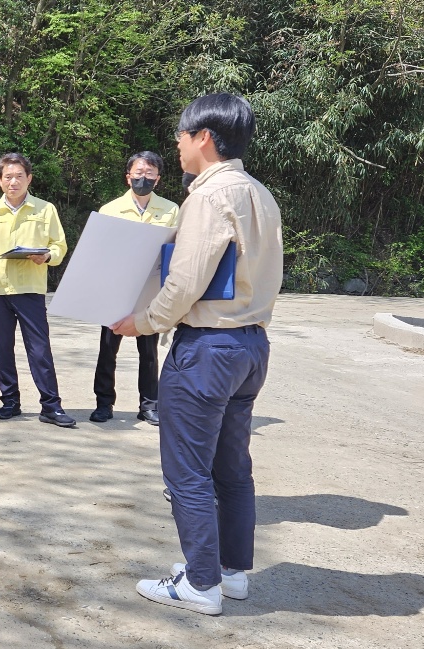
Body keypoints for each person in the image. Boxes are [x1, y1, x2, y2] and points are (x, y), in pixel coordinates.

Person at [111, 93, 283, 615]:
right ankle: (230, 574)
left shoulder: (206, 197)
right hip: (251, 345)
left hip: (206, 348)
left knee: (187, 471)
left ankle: (199, 583)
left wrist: (140, 322)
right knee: (233, 467)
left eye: (182, 138)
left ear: (204, 138)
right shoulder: (260, 193)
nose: (179, 148)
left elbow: (186, 280)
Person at [0, 153, 76, 428]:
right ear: (0, 181)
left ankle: (51, 406)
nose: (13, 182)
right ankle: (10, 402)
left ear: (29, 178)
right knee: (2, 348)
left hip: (30, 288)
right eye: (8, 177)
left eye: (19, 176)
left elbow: (59, 246)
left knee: (39, 348)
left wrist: (47, 256)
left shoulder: (45, 209)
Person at [91, 151, 180, 426]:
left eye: (149, 173)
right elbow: (99, 250)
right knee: (108, 349)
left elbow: (176, 249)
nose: (144, 178)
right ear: (128, 177)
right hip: (117, 288)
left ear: (158, 178)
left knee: (149, 350)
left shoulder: (171, 210)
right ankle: (104, 404)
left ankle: (149, 405)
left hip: (152, 289)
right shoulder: (110, 210)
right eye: (138, 173)